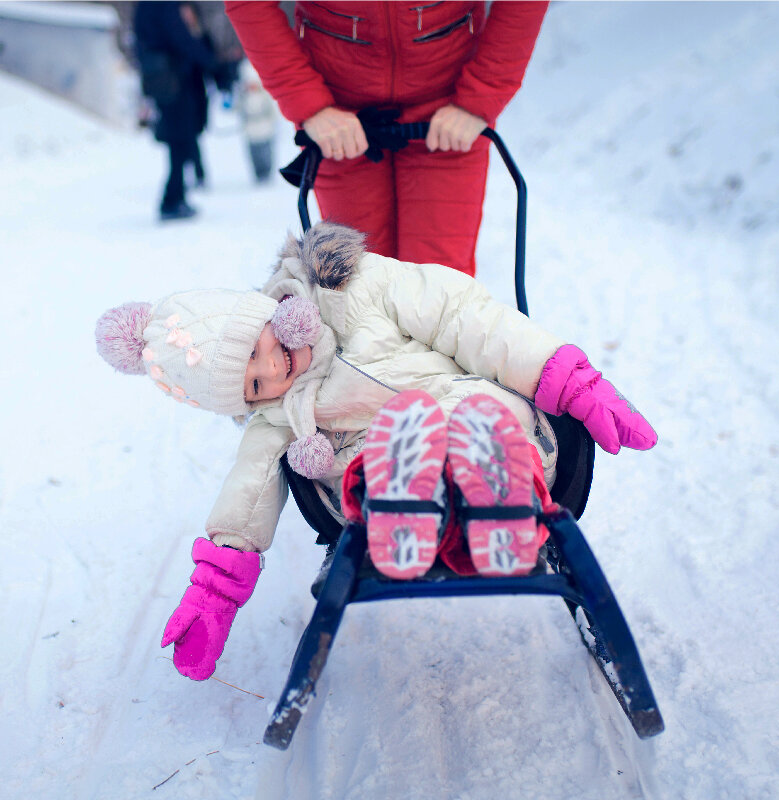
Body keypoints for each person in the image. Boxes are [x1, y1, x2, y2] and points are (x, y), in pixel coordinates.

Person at [95, 222, 657, 680]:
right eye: (254, 387)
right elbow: (247, 495)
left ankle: (495, 497)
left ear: (266, 314)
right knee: (368, 463)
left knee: (484, 410)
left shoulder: (358, 288)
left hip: (464, 411)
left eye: (257, 349)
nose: (271, 371)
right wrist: (214, 592)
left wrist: (574, 383)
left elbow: (470, 320)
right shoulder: (276, 417)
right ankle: (408, 505)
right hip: (377, 465)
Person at [223, 1, 549, 276]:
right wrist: (311, 106)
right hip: (340, 119)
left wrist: (480, 98)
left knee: (439, 294)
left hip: (448, 115)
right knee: (356, 292)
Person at [133, 1, 218, 221]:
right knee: (180, 141)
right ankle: (172, 200)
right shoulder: (163, 5)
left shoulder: (145, 6)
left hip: (164, 80)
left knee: (178, 142)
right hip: (175, 81)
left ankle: (176, 197)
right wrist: (212, 62)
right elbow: (180, 38)